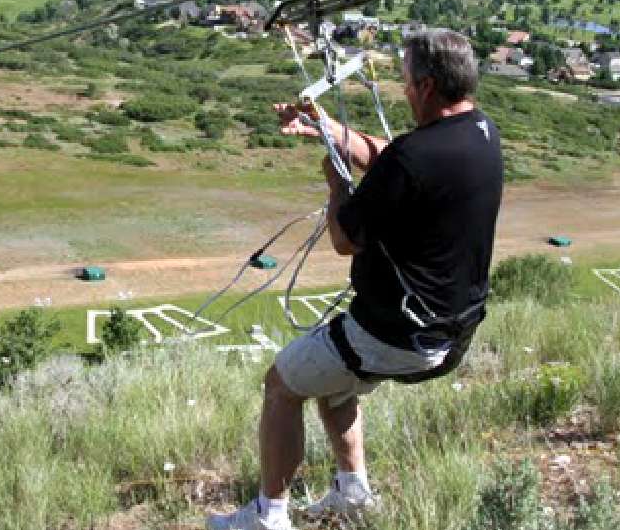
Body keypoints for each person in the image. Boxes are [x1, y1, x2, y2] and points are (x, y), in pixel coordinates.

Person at [207, 29, 503, 530]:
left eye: (406, 82)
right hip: (452, 328)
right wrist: (326, 129)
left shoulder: (414, 157)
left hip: (396, 332)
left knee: (281, 385)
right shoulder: (480, 132)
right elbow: (395, 159)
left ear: (427, 86)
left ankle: (268, 516)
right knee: (336, 384)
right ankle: (353, 494)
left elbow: (345, 238)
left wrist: (335, 184)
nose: (404, 91)